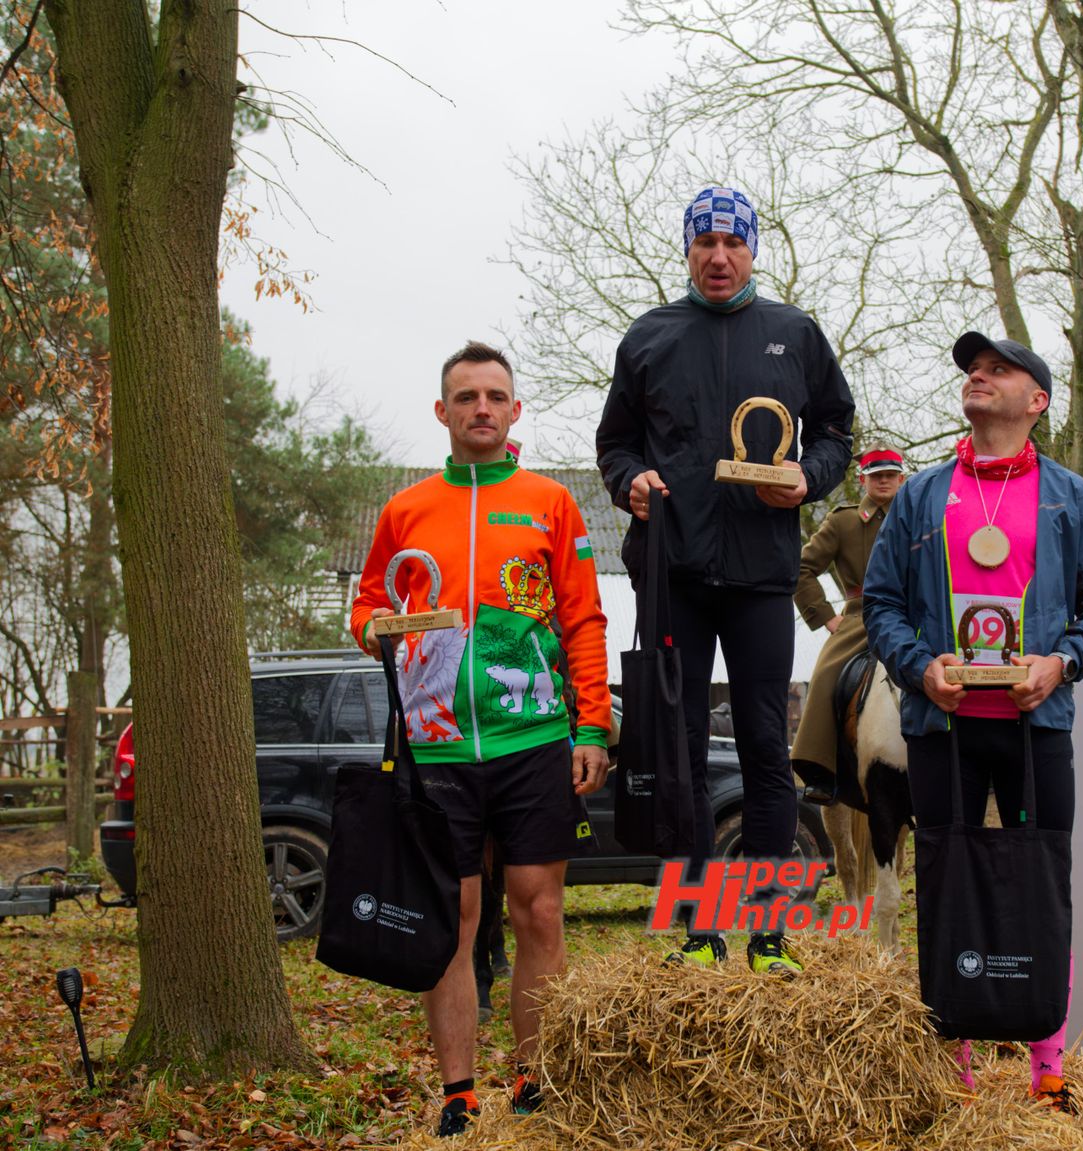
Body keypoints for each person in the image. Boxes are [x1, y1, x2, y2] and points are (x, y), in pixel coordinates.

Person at [350, 341, 612, 1136]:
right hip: (435, 748)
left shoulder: (550, 502)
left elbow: (582, 617)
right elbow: (366, 607)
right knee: (455, 920)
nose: (482, 409)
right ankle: (459, 1090)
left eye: (496, 395)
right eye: (466, 397)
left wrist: (593, 722)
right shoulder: (405, 508)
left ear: (516, 409)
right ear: (443, 411)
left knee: (539, 913)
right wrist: (378, 629)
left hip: (532, 737)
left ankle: (535, 1075)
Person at [595, 185, 855, 975]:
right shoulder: (649, 336)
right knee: (675, 750)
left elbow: (838, 431)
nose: (718, 256)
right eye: (704, 242)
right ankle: (699, 928)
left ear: (751, 250)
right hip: (673, 571)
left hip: (758, 576)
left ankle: (770, 929)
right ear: (687, 251)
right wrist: (630, 482)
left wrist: (808, 479)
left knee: (764, 750)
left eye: (732, 243)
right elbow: (614, 444)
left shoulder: (794, 333)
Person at [862, 332, 1083, 1113]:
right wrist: (918, 666)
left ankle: (1048, 1062)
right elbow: (881, 604)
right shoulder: (919, 495)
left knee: (1043, 880)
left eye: (998, 369)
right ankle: (956, 1061)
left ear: (1036, 401)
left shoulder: (1072, 498)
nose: (979, 375)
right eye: (973, 369)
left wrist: (1061, 663)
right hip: (941, 725)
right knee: (944, 880)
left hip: (1035, 724)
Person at [791, 447, 906, 805]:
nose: (884, 480)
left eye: (890, 474)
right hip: (862, 617)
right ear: (863, 480)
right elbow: (802, 568)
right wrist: (827, 617)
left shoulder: (919, 518)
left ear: (902, 479)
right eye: (876, 475)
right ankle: (819, 770)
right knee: (827, 674)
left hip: (913, 616)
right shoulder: (842, 521)